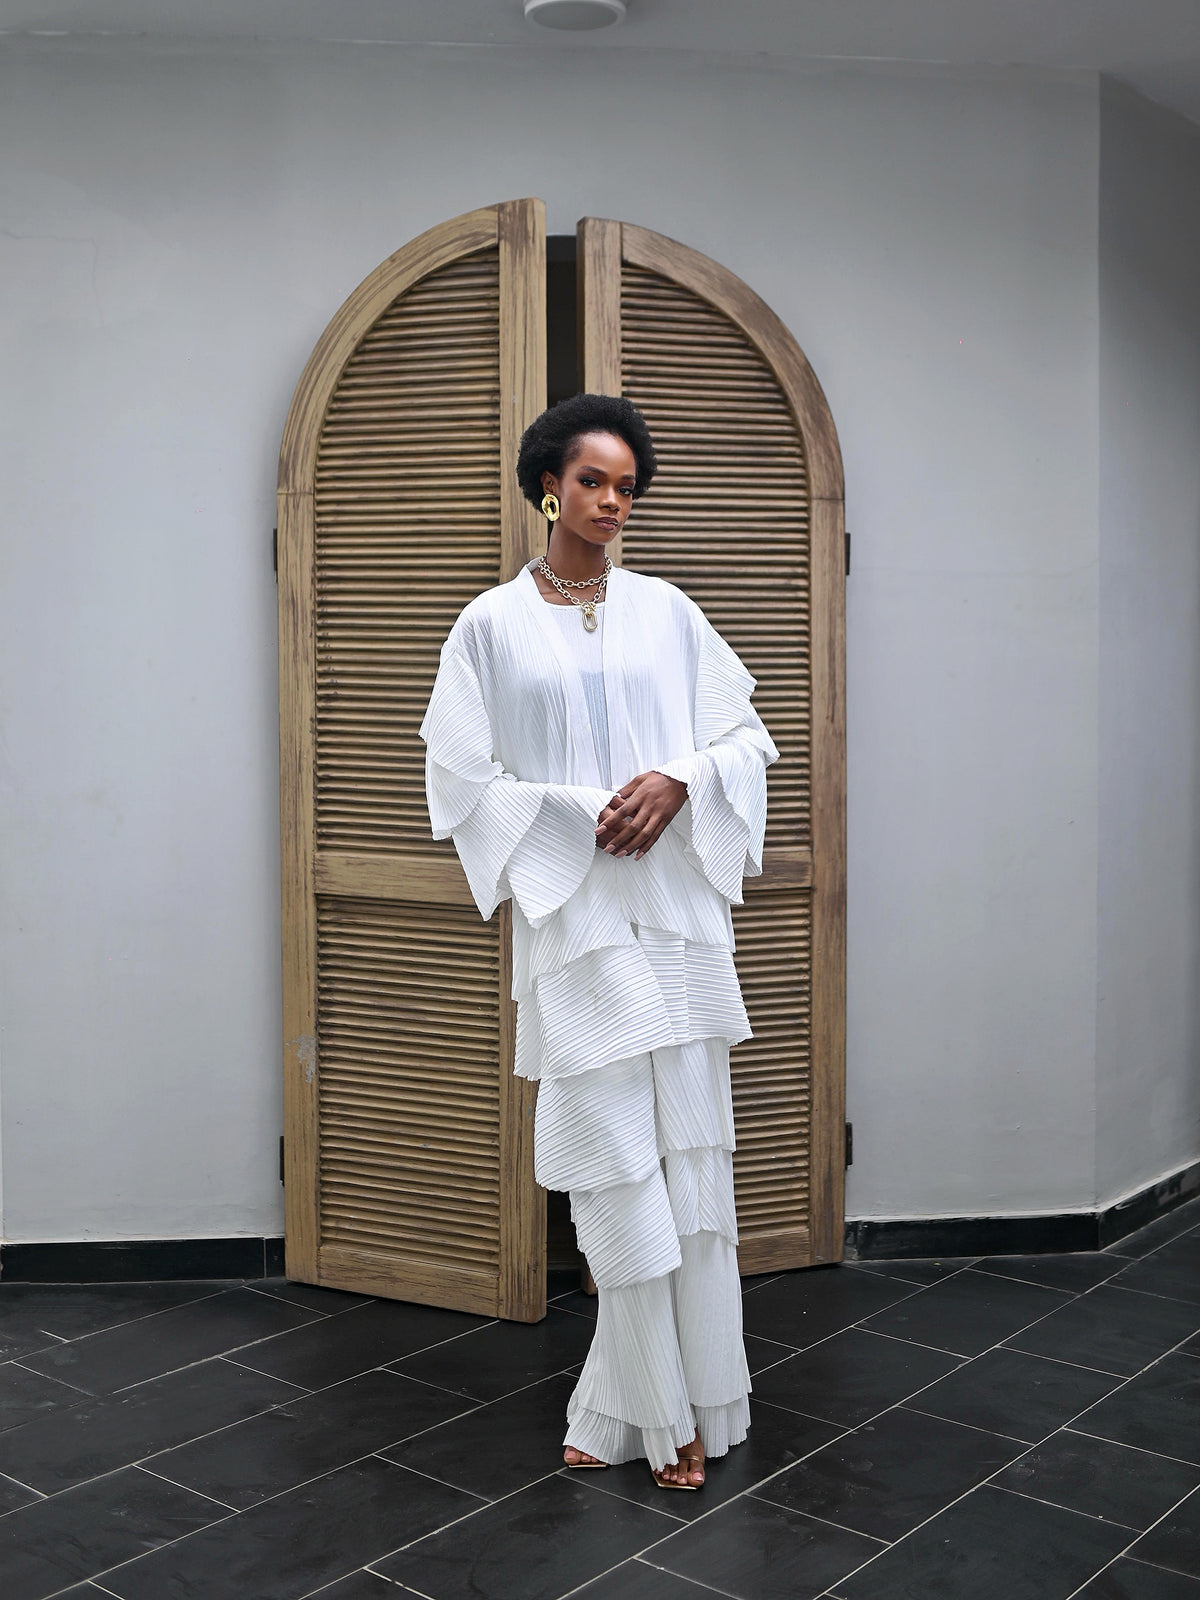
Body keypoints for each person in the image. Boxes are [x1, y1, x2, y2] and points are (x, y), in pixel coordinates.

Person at [419, 392, 779, 1490]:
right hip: (577, 923)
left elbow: (744, 735)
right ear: (549, 486)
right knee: (611, 1165)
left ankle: (661, 1403)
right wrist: (576, 813)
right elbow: (458, 778)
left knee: (689, 1163)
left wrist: (681, 779)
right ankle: (656, 1413)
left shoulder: (668, 610)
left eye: (628, 486)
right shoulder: (489, 625)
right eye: (592, 481)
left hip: (677, 919)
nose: (612, 501)